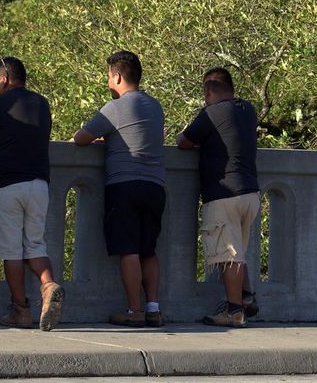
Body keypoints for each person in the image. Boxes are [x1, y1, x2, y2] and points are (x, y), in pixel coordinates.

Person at [0, 56, 64, 331]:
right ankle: (48, 284)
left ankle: (21, 310)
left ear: (3, 79)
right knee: (35, 245)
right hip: (39, 185)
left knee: (11, 252)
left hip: (7, 185)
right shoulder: (42, 104)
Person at [73, 50, 167, 327]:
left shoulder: (114, 108)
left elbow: (81, 138)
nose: (107, 81)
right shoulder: (155, 105)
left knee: (129, 249)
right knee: (148, 249)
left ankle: (134, 311)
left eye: (108, 76)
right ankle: (153, 308)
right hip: (155, 186)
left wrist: (104, 137)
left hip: (124, 185)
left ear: (117, 75)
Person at [177, 67, 262, 327]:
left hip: (224, 193)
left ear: (207, 91)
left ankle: (234, 311)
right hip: (250, 194)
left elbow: (183, 141)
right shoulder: (247, 111)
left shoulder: (211, 113)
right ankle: (246, 297)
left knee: (229, 254)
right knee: (239, 250)